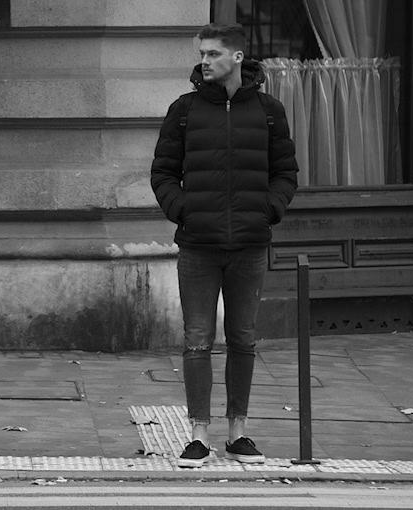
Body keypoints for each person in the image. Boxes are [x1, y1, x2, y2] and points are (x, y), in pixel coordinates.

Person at [150, 23, 298, 467]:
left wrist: (267, 211)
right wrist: (185, 211)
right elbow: (162, 173)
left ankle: (239, 432)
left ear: (237, 57)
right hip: (198, 245)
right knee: (197, 339)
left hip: (249, 245)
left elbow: (286, 174)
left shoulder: (269, 111)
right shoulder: (184, 110)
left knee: (243, 338)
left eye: (213, 53)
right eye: (202, 53)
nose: (204, 61)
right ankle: (198, 434)